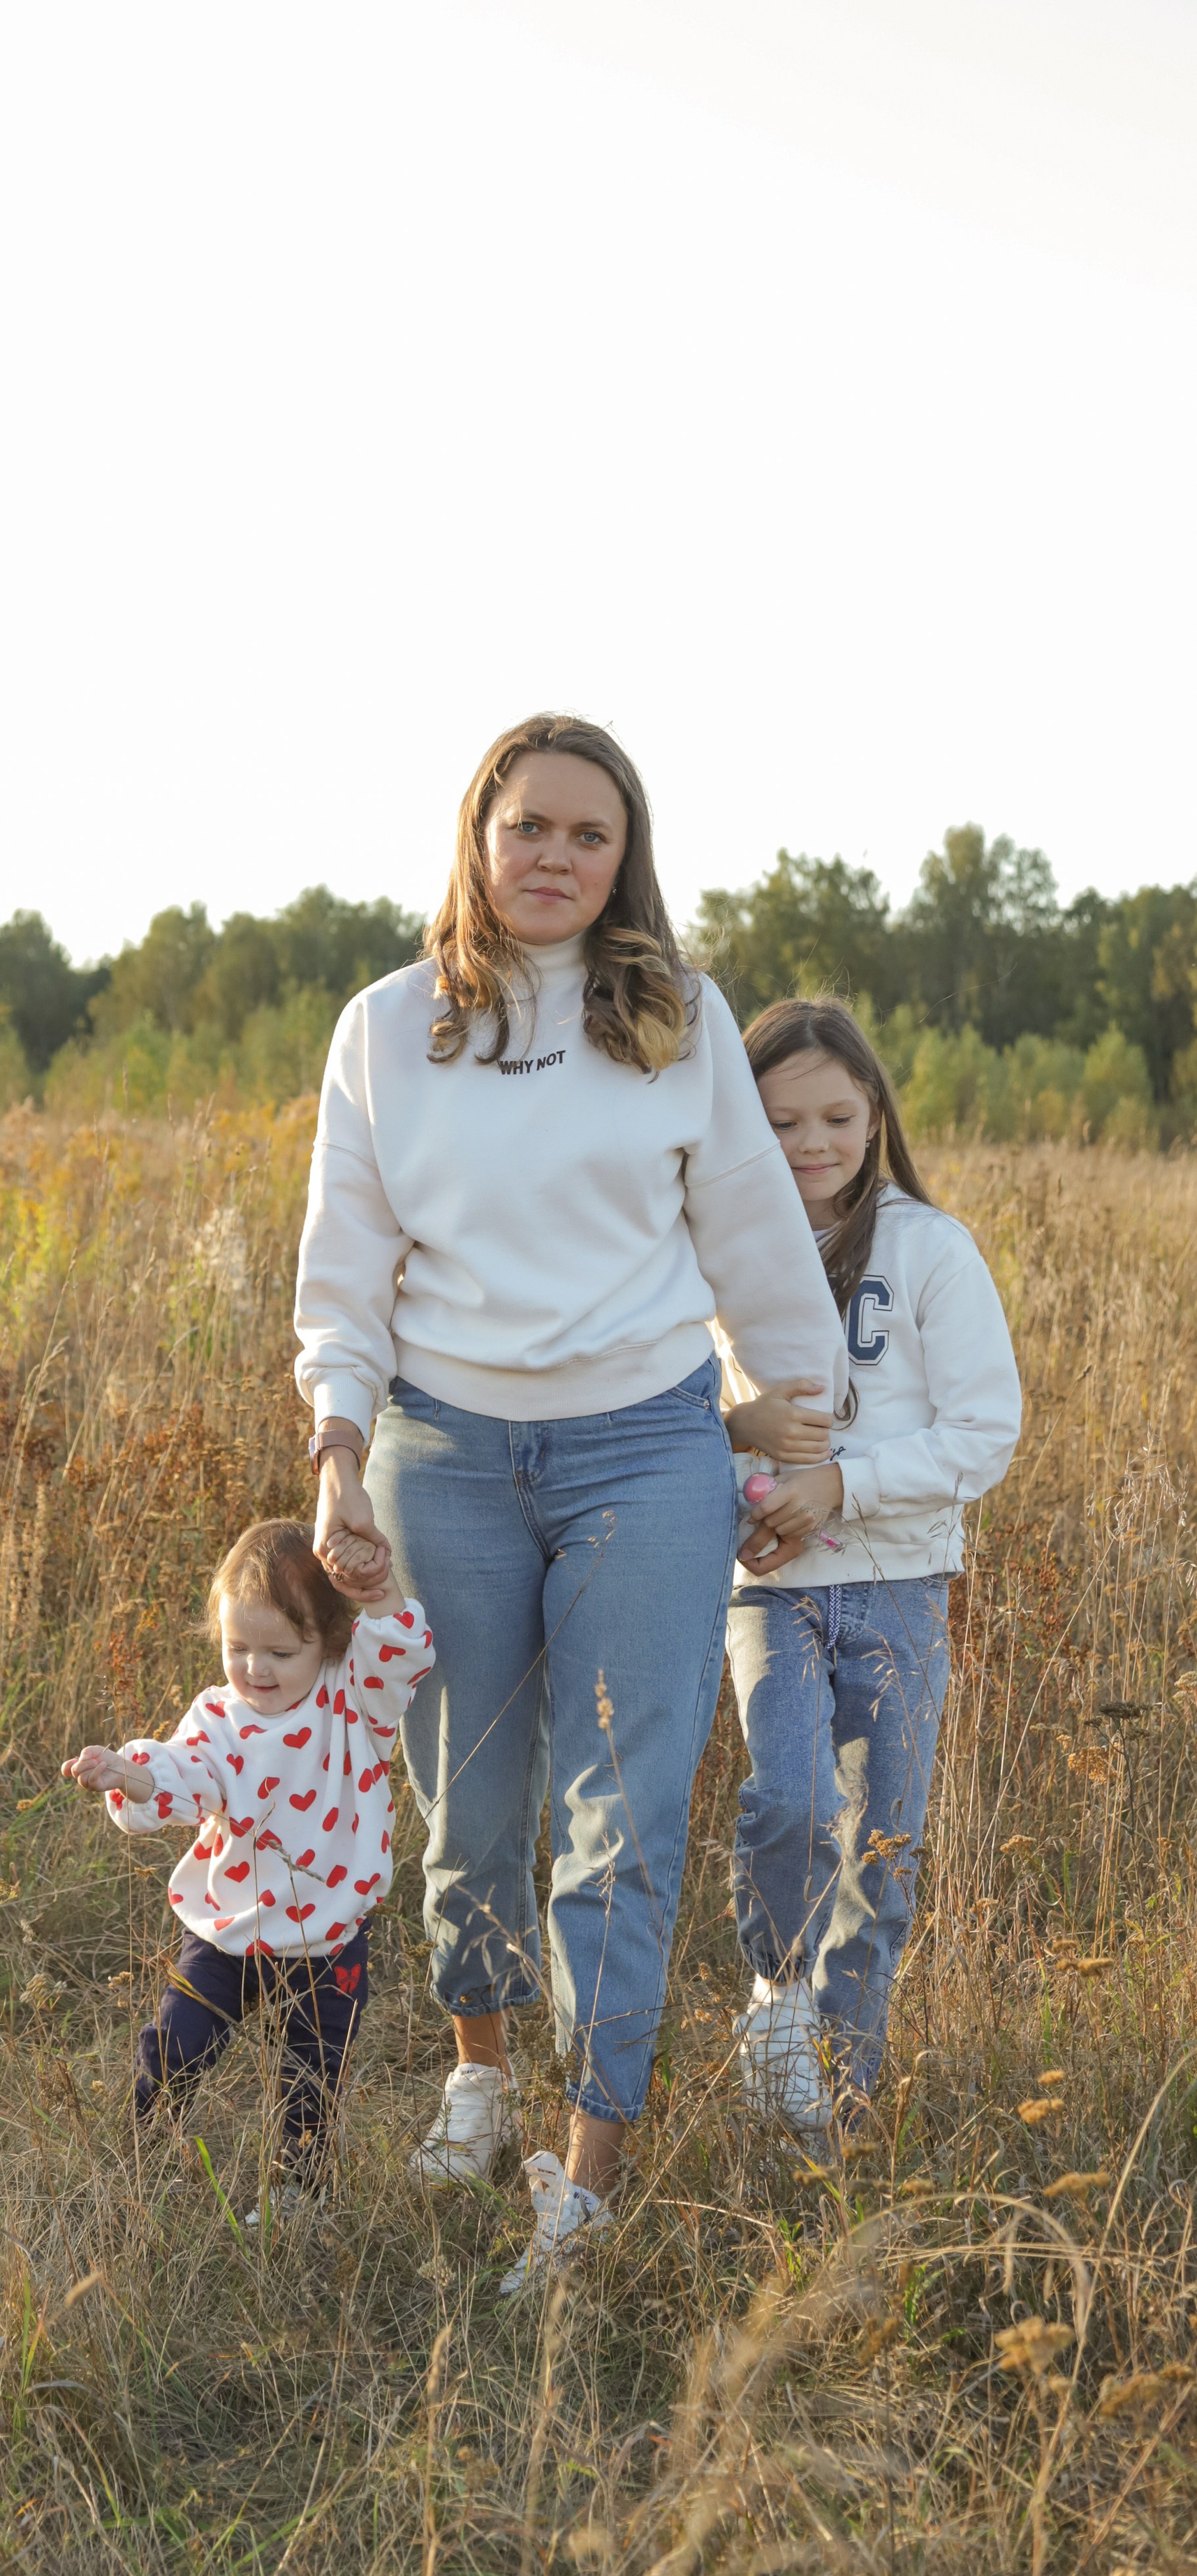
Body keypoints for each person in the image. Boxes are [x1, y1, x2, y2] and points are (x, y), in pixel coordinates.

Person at [295, 712, 846, 2297]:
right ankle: (478, 2074)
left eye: (585, 834)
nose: (551, 856)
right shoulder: (389, 1029)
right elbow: (344, 1263)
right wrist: (337, 1450)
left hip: (641, 1457)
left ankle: (585, 2176)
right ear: (476, 837)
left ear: (624, 860)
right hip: (440, 1457)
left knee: (618, 1822)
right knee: (466, 1817)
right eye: (525, 825)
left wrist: (801, 1441)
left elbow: (753, 1240)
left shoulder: (673, 1021)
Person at [723, 998, 1021, 2135]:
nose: (810, 1142)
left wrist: (840, 1486)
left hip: (899, 1583)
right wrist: (751, 1487)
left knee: (882, 1853)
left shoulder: (928, 1249)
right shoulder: (719, 1260)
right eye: (781, 1119)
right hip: (773, 1586)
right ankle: (778, 1999)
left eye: (836, 1116)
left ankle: (840, 2112)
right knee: (790, 1800)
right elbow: (688, 1419)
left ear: (875, 1112)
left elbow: (984, 1431)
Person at [62, 1516, 434, 2213]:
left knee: (312, 2073)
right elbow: (183, 1775)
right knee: (179, 2044)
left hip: (328, 1937)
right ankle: (143, 2154)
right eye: (238, 1648)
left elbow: (400, 1650)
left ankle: (295, 2192)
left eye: (279, 1651)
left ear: (327, 1643)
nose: (255, 1669)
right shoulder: (220, 1718)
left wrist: (376, 1589)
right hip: (225, 1929)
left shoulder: (353, 1702)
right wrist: (128, 1775)